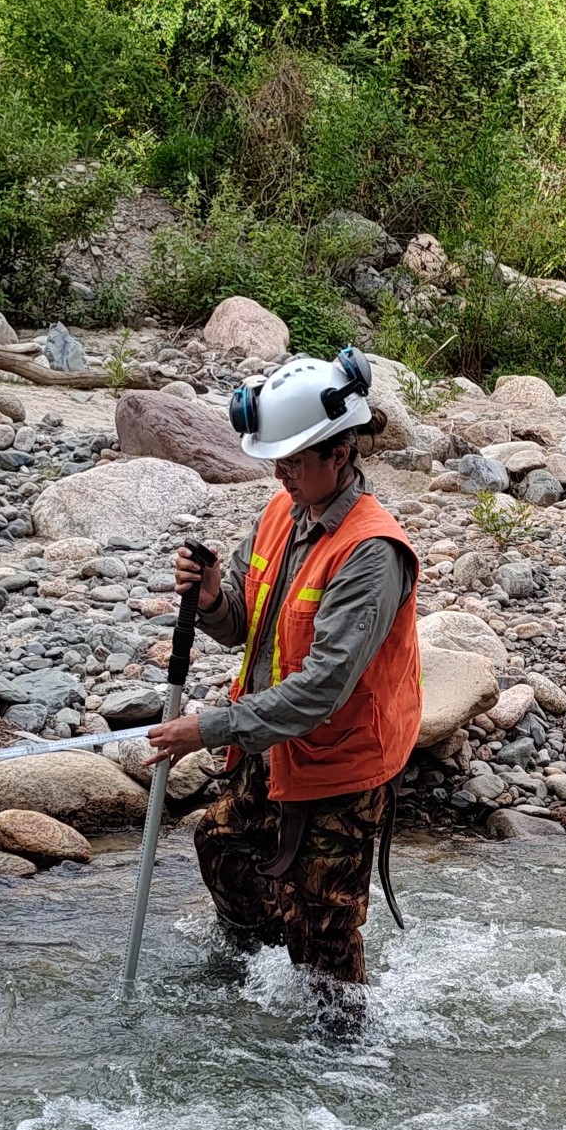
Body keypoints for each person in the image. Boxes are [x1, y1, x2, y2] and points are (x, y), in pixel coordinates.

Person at [147, 346, 421, 985]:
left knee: (323, 928)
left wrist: (209, 727)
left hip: (339, 763)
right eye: (276, 461)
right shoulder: (283, 512)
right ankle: (249, 984)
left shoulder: (372, 553)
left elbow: (323, 688)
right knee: (223, 849)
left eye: (295, 461)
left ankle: (341, 1058)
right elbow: (243, 621)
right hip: (272, 746)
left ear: (341, 452)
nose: (281, 476)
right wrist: (214, 596)